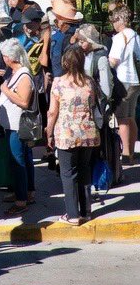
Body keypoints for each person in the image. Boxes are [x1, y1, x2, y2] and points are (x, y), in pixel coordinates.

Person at [47, 45, 100, 225]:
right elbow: (92, 104)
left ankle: (72, 215)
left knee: (68, 174)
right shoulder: (90, 82)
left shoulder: (58, 82)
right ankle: (86, 211)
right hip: (88, 132)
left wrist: (48, 132)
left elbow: (52, 112)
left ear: (65, 62)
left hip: (66, 133)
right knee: (85, 170)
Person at [0, 38, 36, 212]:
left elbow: (24, 102)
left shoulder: (24, 75)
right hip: (12, 125)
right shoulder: (16, 73)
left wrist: (4, 90)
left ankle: (21, 200)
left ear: (9, 58)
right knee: (24, 158)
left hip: (18, 126)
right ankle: (26, 192)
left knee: (18, 160)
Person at [108, 3, 139, 163]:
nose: (113, 23)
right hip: (135, 81)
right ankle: (132, 151)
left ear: (121, 19)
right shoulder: (135, 35)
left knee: (122, 119)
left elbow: (114, 60)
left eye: (114, 20)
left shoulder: (120, 37)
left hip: (123, 80)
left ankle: (126, 155)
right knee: (131, 117)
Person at [74, 23, 112, 110]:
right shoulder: (81, 54)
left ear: (91, 41)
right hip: (84, 98)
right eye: (79, 41)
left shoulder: (101, 58)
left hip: (97, 101)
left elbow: (106, 85)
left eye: (82, 42)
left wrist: (104, 102)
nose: (80, 44)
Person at [49, 0, 81, 79]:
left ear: (63, 21)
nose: (55, 20)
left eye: (57, 18)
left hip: (62, 78)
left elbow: (59, 59)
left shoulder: (69, 36)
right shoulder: (59, 34)